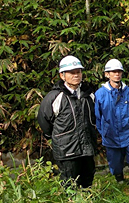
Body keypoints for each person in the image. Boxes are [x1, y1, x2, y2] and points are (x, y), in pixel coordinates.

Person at [37, 55, 97, 188]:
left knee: (88, 178)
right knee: (69, 182)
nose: (76, 75)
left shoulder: (89, 95)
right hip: (66, 149)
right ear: (62, 75)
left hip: (87, 147)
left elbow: (95, 118)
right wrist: (56, 137)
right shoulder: (55, 97)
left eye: (78, 72)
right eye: (71, 72)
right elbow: (44, 121)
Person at [94, 59, 129, 185]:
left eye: (119, 71)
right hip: (110, 134)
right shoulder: (100, 94)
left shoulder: (128, 92)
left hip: (127, 132)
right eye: (113, 72)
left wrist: (128, 125)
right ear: (106, 74)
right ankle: (119, 179)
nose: (117, 74)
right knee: (114, 160)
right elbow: (98, 116)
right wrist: (104, 131)